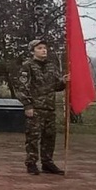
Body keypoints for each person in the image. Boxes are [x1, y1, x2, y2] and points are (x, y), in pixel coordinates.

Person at [15, 39, 68, 175]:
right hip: (35, 108)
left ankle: (47, 162)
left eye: (44, 48)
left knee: (49, 137)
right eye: (39, 48)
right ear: (32, 51)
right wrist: (27, 105)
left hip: (49, 107)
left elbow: (56, 86)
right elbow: (21, 88)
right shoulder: (28, 66)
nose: (44, 50)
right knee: (33, 137)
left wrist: (63, 81)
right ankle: (31, 163)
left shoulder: (51, 66)